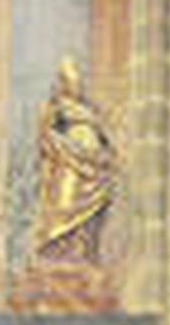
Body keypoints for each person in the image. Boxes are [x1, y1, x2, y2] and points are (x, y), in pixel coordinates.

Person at [35, 56, 117, 266]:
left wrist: (103, 155)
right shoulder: (56, 106)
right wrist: (64, 148)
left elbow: (105, 138)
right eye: (70, 81)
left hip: (93, 168)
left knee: (87, 219)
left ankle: (80, 254)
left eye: (77, 81)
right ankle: (58, 253)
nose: (75, 85)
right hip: (69, 164)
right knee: (64, 204)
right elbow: (44, 134)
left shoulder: (90, 110)